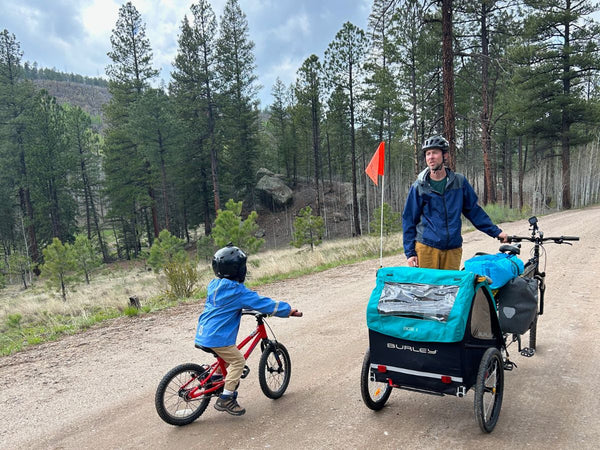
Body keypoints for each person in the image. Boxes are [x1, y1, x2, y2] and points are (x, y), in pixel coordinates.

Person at [195, 243, 299, 416]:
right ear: (239, 270)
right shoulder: (238, 292)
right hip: (217, 337)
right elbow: (264, 303)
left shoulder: (213, 286)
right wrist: (288, 311)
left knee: (227, 354)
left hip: (203, 333)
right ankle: (226, 398)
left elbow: (225, 305)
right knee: (238, 361)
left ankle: (216, 378)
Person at [402, 135, 508, 270]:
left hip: (452, 248)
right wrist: (410, 253)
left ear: (445, 155)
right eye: (428, 154)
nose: (430, 157)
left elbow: (474, 212)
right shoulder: (419, 186)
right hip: (426, 247)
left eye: (434, 152)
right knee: (427, 289)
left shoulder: (459, 182)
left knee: (451, 289)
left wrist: (496, 232)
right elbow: (409, 220)